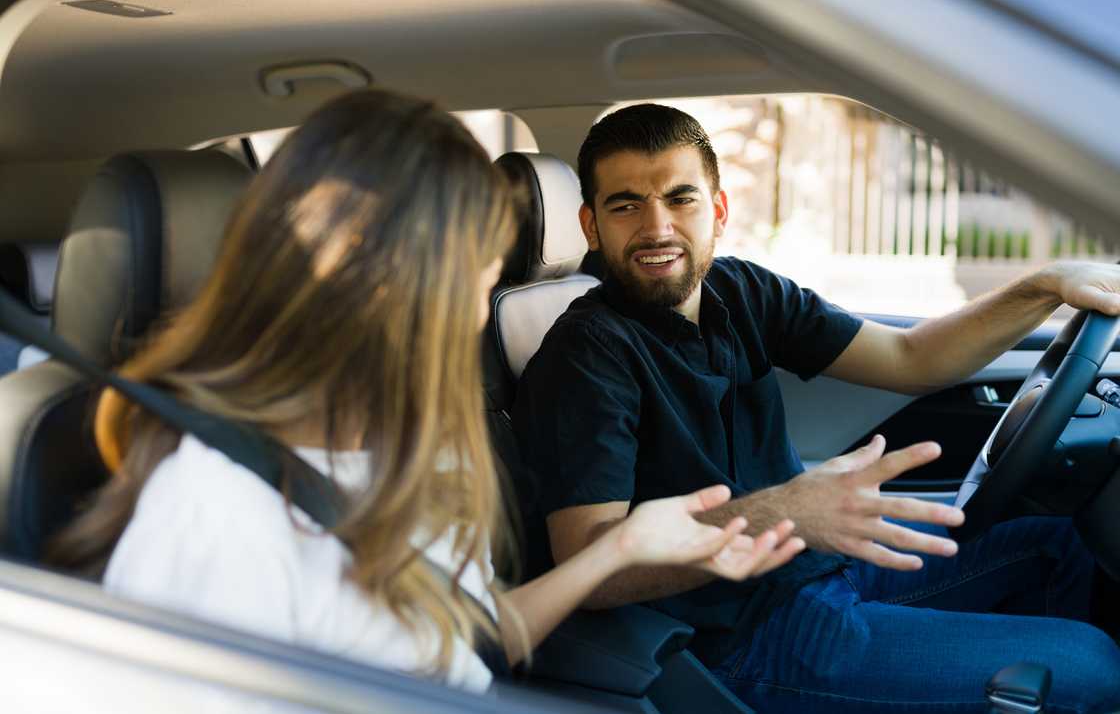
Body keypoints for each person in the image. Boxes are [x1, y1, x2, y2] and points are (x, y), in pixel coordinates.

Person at [48, 90, 805, 693]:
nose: (478, 313)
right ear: (369, 277)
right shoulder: (218, 514)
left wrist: (621, 550)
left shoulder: (415, 448)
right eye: (469, 281)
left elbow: (468, 640)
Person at [513, 103, 1120, 713]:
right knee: (1092, 667)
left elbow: (912, 357)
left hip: (818, 564)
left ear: (718, 211)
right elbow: (589, 563)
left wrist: (1045, 286)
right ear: (592, 226)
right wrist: (787, 512)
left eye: (680, 199)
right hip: (740, 635)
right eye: (626, 206)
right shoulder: (585, 354)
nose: (657, 227)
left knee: (1056, 540)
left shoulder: (741, 290)